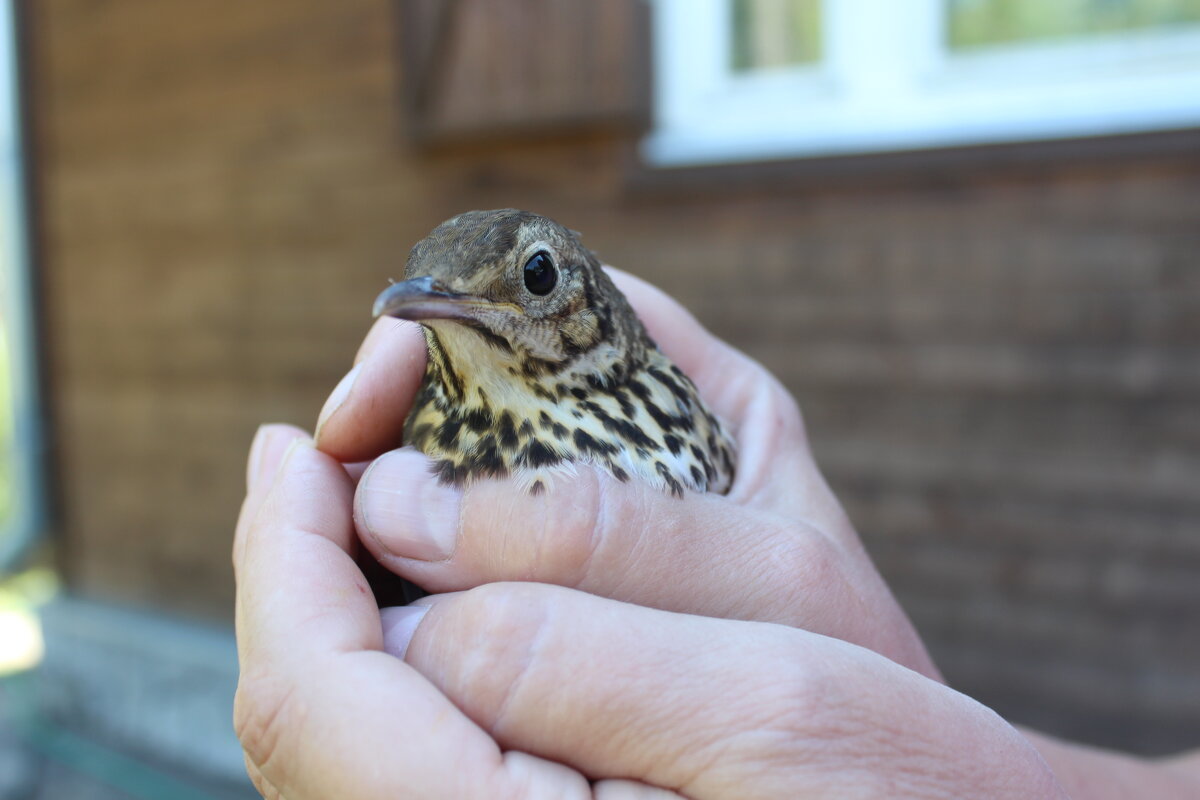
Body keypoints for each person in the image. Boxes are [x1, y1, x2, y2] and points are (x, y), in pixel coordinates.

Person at [232, 270, 1200, 798]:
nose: (481, 304)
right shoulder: (426, 443)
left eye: (532, 279)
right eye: (443, 295)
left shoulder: (682, 405)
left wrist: (921, 743)